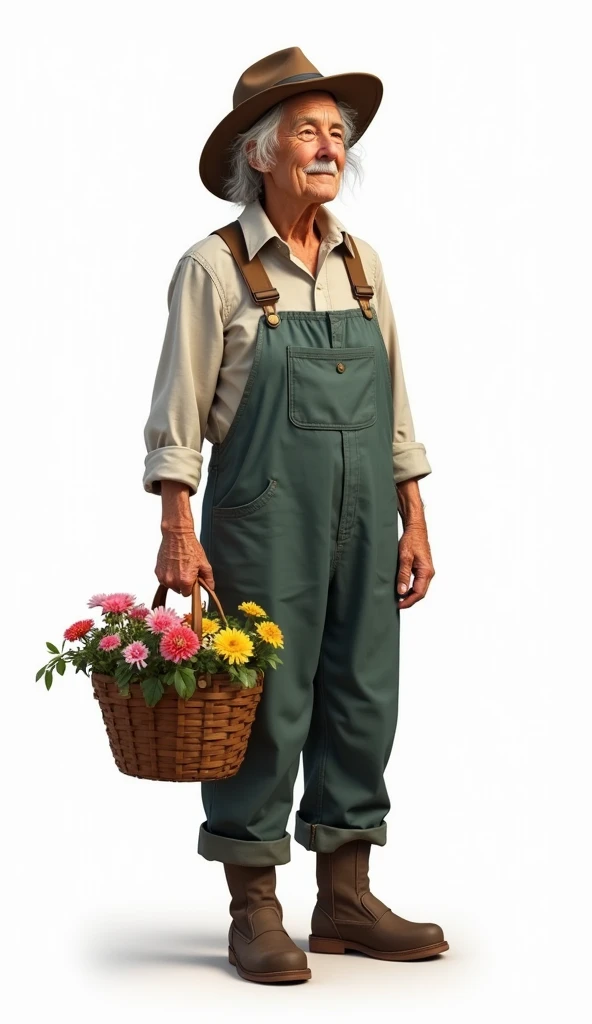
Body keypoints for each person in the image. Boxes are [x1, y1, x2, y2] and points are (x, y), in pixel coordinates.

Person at [142, 46, 448, 984]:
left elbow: (394, 395)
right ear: (263, 152)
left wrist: (415, 511)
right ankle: (254, 908)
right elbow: (178, 414)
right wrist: (176, 528)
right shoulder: (216, 268)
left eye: (337, 133)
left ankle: (346, 900)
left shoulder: (362, 264)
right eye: (310, 131)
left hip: (365, 513)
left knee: (362, 690)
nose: (331, 146)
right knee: (264, 707)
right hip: (261, 514)